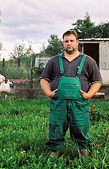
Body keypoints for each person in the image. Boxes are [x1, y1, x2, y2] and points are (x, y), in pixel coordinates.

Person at [40, 30, 102, 159]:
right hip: (59, 104)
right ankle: (53, 157)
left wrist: (88, 95)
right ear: (63, 43)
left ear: (77, 42)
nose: (69, 44)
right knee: (56, 128)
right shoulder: (54, 61)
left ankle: (84, 158)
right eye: (66, 41)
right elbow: (44, 79)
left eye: (71, 41)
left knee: (80, 129)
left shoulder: (88, 61)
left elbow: (97, 81)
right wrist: (49, 93)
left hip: (79, 104)